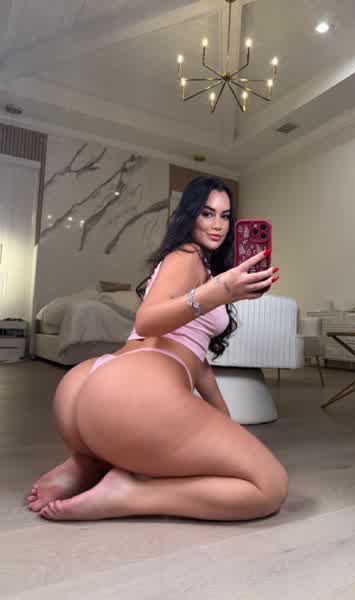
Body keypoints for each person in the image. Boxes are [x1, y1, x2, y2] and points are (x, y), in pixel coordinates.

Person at [27, 175, 286, 522]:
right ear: (190, 214)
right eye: (207, 213)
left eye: (225, 216)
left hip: (88, 388)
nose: (218, 225)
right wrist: (221, 291)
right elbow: (147, 321)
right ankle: (131, 494)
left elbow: (198, 363)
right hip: (134, 393)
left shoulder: (188, 264)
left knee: (146, 438)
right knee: (269, 485)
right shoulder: (189, 255)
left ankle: (88, 463)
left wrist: (226, 424)